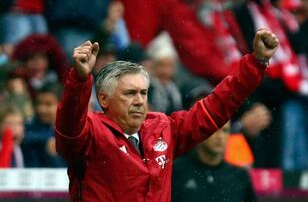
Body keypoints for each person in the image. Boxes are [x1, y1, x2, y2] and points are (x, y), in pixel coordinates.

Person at [55, 29, 278, 201]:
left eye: (143, 93)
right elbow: (69, 124)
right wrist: (80, 81)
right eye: (130, 93)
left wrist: (255, 63)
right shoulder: (89, 133)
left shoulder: (163, 127)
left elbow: (214, 109)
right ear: (104, 99)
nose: (140, 100)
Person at [172, 122, 257, 202]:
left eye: (225, 130)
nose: (220, 137)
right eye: (214, 129)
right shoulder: (175, 172)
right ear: (198, 131)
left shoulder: (240, 177)